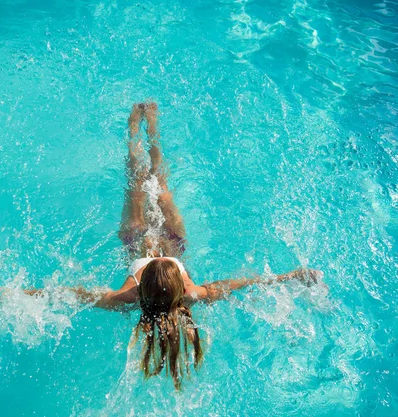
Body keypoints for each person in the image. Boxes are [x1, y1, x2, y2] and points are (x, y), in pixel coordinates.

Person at [25, 102, 322, 389]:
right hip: (175, 240)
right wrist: (290, 277)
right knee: (162, 189)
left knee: (137, 183)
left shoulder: (126, 297)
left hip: (134, 240)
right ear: (179, 283)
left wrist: (27, 295)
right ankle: (152, 126)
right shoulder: (193, 293)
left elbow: (72, 295)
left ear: (140, 287)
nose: (157, 255)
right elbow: (243, 283)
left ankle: (134, 131)